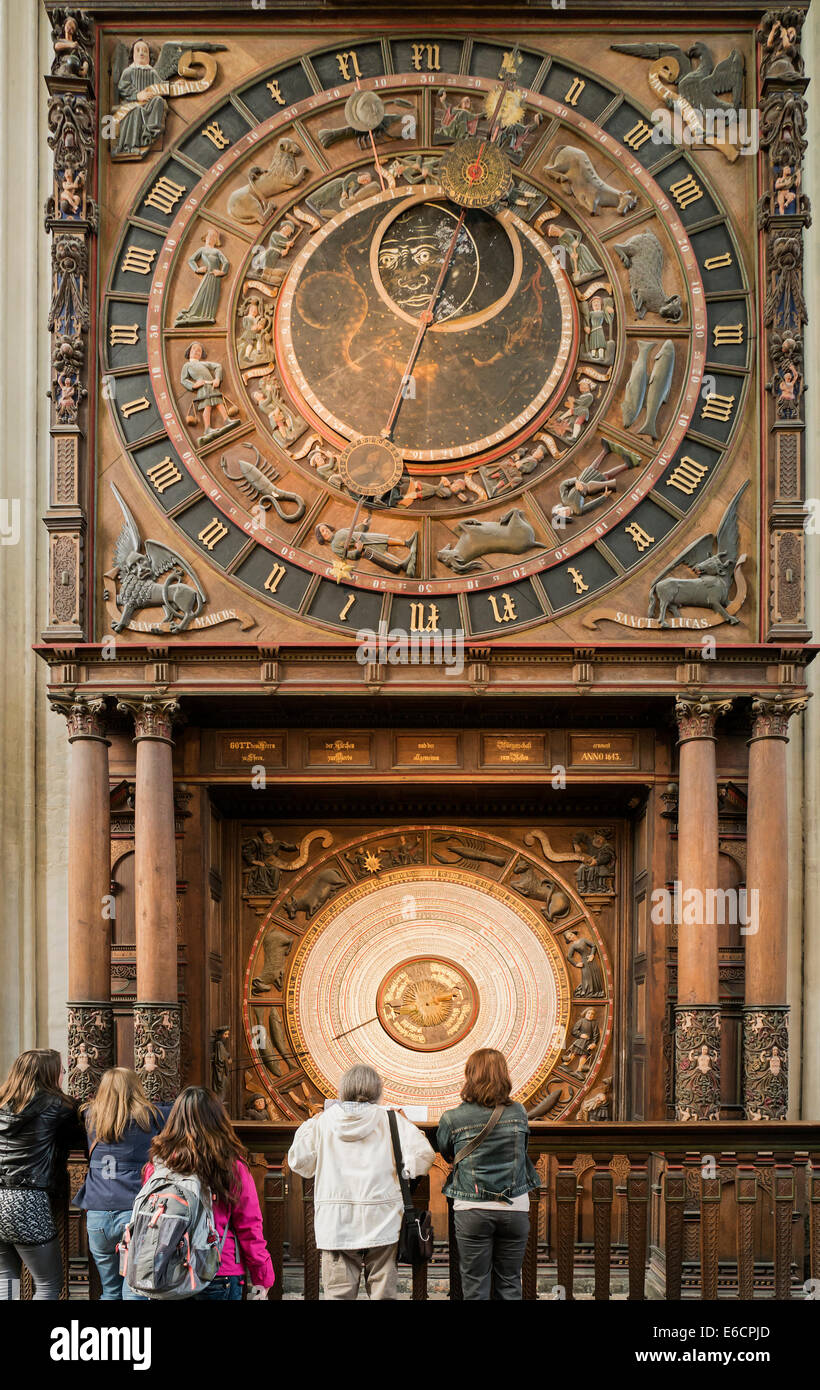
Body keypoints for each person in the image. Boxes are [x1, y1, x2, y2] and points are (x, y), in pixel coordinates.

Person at [287, 1064, 434, 1301]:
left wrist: (309, 1124)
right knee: (383, 1295)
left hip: (336, 1223)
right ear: (378, 1091)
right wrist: (405, 1170)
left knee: (338, 1295)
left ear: (343, 1090)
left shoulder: (322, 1123)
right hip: (383, 1220)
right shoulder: (391, 1120)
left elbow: (299, 1162)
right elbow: (424, 1157)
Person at [144, 1087, 274, 1301]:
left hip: (168, 1267)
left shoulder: (158, 1163)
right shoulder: (231, 1165)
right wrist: (262, 1276)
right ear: (218, 1120)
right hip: (219, 1268)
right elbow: (249, 1226)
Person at [436, 1048, 539, 1301]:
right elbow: (522, 1150)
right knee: (510, 1283)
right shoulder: (519, 1113)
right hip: (515, 1206)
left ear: (469, 1076)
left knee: (475, 1286)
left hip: (471, 1208)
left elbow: (447, 1152)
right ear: (504, 1076)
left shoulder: (453, 1118)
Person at [73, 1068, 170, 1300]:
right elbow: (179, 1107)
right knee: (134, 1289)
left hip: (97, 1215)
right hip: (133, 1213)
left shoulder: (90, 1117)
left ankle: (111, 1337)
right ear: (136, 1088)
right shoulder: (151, 1117)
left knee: (110, 1290)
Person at [0, 1049, 82, 1300]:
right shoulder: (58, 1105)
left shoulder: (1, 1102)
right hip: (26, 1200)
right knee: (47, 1285)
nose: (63, 1076)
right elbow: (79, 1138)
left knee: (7, 1280)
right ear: (49, 1074)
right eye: (61, 1071)